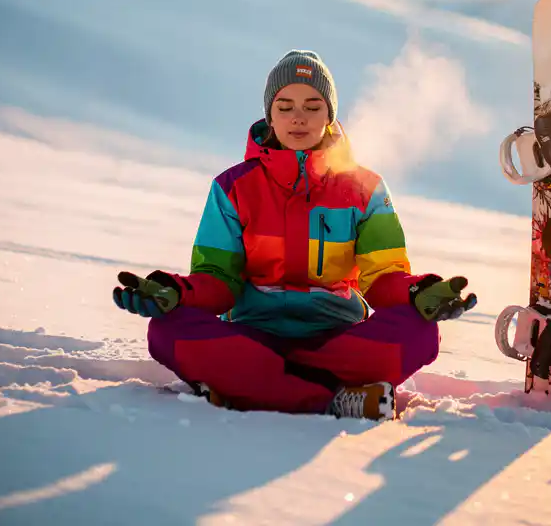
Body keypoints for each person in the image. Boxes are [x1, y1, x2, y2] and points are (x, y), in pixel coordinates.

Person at [113, 49, 477, 420]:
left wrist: (418, 291)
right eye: (285, 106)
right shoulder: (233, 187)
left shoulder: (366, 188)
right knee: (166, 330)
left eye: (313, 106)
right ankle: (336, 400)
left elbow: (383, 278)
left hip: (338, 338)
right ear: (269, 114)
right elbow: (218, 280)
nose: (298, 118)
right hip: (253, 335)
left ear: (330, 115)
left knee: (420, 332)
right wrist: (176, 292)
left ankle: (248, 390)